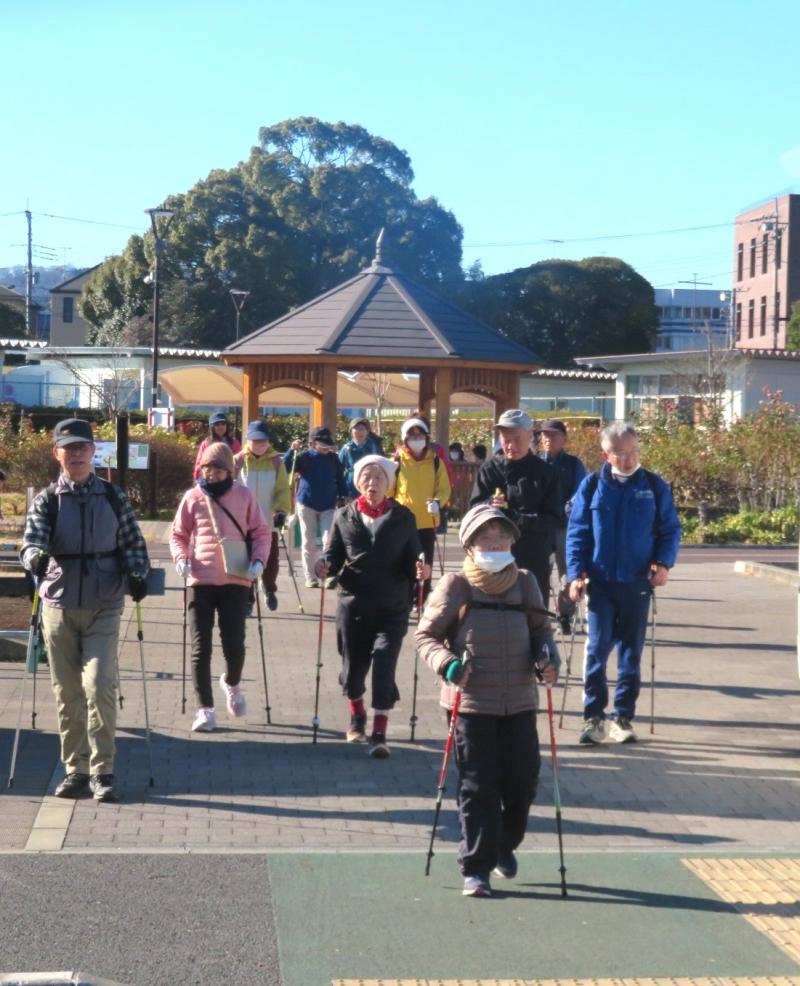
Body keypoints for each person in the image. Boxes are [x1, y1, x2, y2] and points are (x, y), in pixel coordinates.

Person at [415, 503, 558, 898]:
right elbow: (424, 637)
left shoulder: (526, 581)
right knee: (479, 786)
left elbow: (541, 631)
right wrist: (448, 664)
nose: (495, 542)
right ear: (470, 544)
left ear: (512, 541)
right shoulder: (455, 585)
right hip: (472, 705)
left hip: (520, 701)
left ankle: (502, 846)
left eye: (501, 536)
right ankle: (476, 868)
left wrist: (548, 660)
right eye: (485, 537)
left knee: (523, 783)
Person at [20, 418, 150, 803]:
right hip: (58, 605)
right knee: (67, 692)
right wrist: (35, 558)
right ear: (56, 453)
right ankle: (74, 770)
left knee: (99, 686)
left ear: (94, 452)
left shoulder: (113, 496)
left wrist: (138, 572)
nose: (76, 454)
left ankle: (103, 770)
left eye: (83, 448)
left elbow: (133, 543)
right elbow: (30, 542)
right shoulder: (47, 500)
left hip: (103, 603)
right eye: (69, 448)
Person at [567, 421, 681, 745]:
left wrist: (663, 564)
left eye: (633, 452)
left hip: (637, 582)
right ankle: (593, 717)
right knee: (596, 650)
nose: (628, 459)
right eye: (620, 453)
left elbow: (670, 530)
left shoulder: (654, 486)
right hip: (600, 582)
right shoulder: (590, 486)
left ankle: (623, 717)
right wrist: (576, 575)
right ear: (606, 454)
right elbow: (578, 534)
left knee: (631, 654)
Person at [316, 454, 429, 758]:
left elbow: (415, 559)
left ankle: (379, 731)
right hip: (353, 605)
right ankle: (357, 716)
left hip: (392, 606)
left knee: (383, 663)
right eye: (366, 477)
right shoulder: (344, 515)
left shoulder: (403, 517)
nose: (372, 483)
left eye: (379, 478)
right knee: (352, 668)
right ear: (358, 482)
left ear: (389, 484)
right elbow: (333, 556)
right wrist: (323, 565)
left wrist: (422, 571)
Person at [171, 441, 270, 732]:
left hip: (235, 580)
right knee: (200, 648)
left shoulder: (245, 496)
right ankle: (205, 709)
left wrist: (259, 561)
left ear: (229, 471)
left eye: (217, 469)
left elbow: (262, 533)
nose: (211, 474)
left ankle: (232, 682)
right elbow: (178, 533)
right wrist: (180, 558)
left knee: (234, 646)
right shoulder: (192, 497)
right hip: (199, 579)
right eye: (206, 468)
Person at [470, 409, 563, 604]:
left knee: (531, 613)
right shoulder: (490, 469)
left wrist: (518, 519)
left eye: (517, 439)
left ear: (530, 436)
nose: (511, 445)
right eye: (505, 439)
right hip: (493, 554)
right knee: (491, 611)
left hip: (533, 554)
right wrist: (488, 506)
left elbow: (554, 519)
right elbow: (473, 509)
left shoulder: (546, 473)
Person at [392, 417, 452, 598]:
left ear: (426, 437)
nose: (416, 437)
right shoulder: (396, 461)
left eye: (420, 433)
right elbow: (389, 490)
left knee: (424, 561)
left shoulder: (435, 461)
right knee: (403, 560)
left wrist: (437, 502)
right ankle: (404, 596)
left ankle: (422, 596)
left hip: (427, 520)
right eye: (412, 434)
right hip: (402, 521)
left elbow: (444, 489)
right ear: (405, 438)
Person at [234, 419, 291, 612]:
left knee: (271, 559)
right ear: (248, 440)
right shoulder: (238, 461)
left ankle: (269, 589)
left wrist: (281, 510)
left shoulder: (276, 462)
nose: (260, 444)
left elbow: (283, 489)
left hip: (268, 520)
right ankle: (248, 599)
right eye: (256, 441)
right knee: (246, 559)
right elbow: (230, 489)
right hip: (243, 522)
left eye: (264, 441)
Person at [538, 419, 586, 634]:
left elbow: (581, 493)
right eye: (544, 435)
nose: (547, 439)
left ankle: (564, 614)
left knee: (568, 574)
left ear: (563, 439)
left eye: (553, 435)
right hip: (540, 527)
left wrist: (569, 507)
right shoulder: (536, 462)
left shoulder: (574, 464)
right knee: (538, 573)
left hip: (566, 527)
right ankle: (538, 617)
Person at [285, 425, 348, 588]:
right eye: (323, 444)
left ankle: (328, 574)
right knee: (309, 542)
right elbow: (287, 467)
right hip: (306, 504)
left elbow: (340, 479)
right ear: (313, 443)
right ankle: (310, 576)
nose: (327, 447)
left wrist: (343, 496)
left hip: (328, 504)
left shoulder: (334, 459)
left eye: (329, 444)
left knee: (329, 541)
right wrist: (292, 451)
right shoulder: (304, 457)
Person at [339, 416, 382, 497]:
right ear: (351, 431)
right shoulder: (347, 448)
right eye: (357, 429)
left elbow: (380, 466)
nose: (360, 432)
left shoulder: (373, 447)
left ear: (367, 431)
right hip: (351, 490)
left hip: (369, 488)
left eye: (362, 429)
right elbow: (338, 470)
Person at [193, 411, 242, 480]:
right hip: (211, 481)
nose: (220, 427)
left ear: (227, 426)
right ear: (212, 427)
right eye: (217, 424)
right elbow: (199, 465)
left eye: (223, 424)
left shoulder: (234, 443)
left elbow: (240, 463)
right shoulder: (206, 444)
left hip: (230, 481)